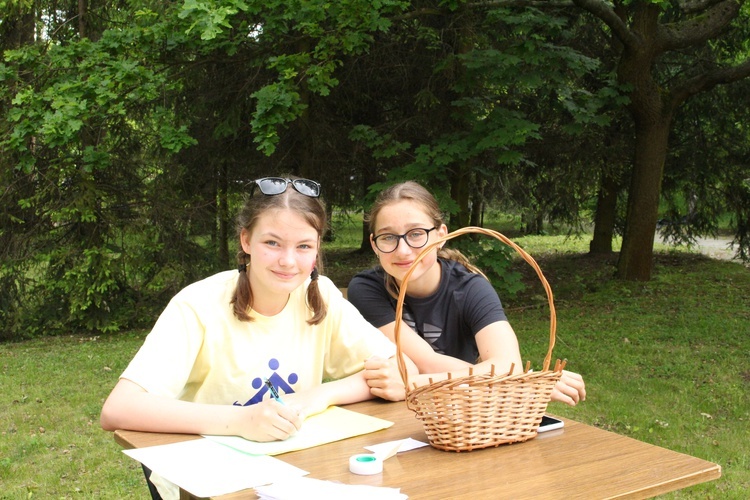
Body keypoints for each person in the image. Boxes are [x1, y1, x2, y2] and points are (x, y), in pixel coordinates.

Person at [100, 176, 406, 500]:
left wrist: (319, 395)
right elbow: (118, 409)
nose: (288, 261)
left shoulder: (321, 295)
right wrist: (242, 420)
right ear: (246, 240)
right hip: (204, 479)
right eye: (272, 243)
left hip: (290, 472)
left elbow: (398, 370)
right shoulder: (197, 305)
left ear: (317, 249)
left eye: (304, 246)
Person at [350, 181, 586, 406]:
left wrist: (411, 384)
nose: (402, 251)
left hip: (462, 414)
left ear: (441, 235)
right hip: (392, 412)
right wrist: (513, 380)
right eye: (388, 237)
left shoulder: (470, 288)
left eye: (416, 233)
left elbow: (507, 364)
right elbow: (427, 363)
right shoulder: (367, 289)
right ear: (374, 244)